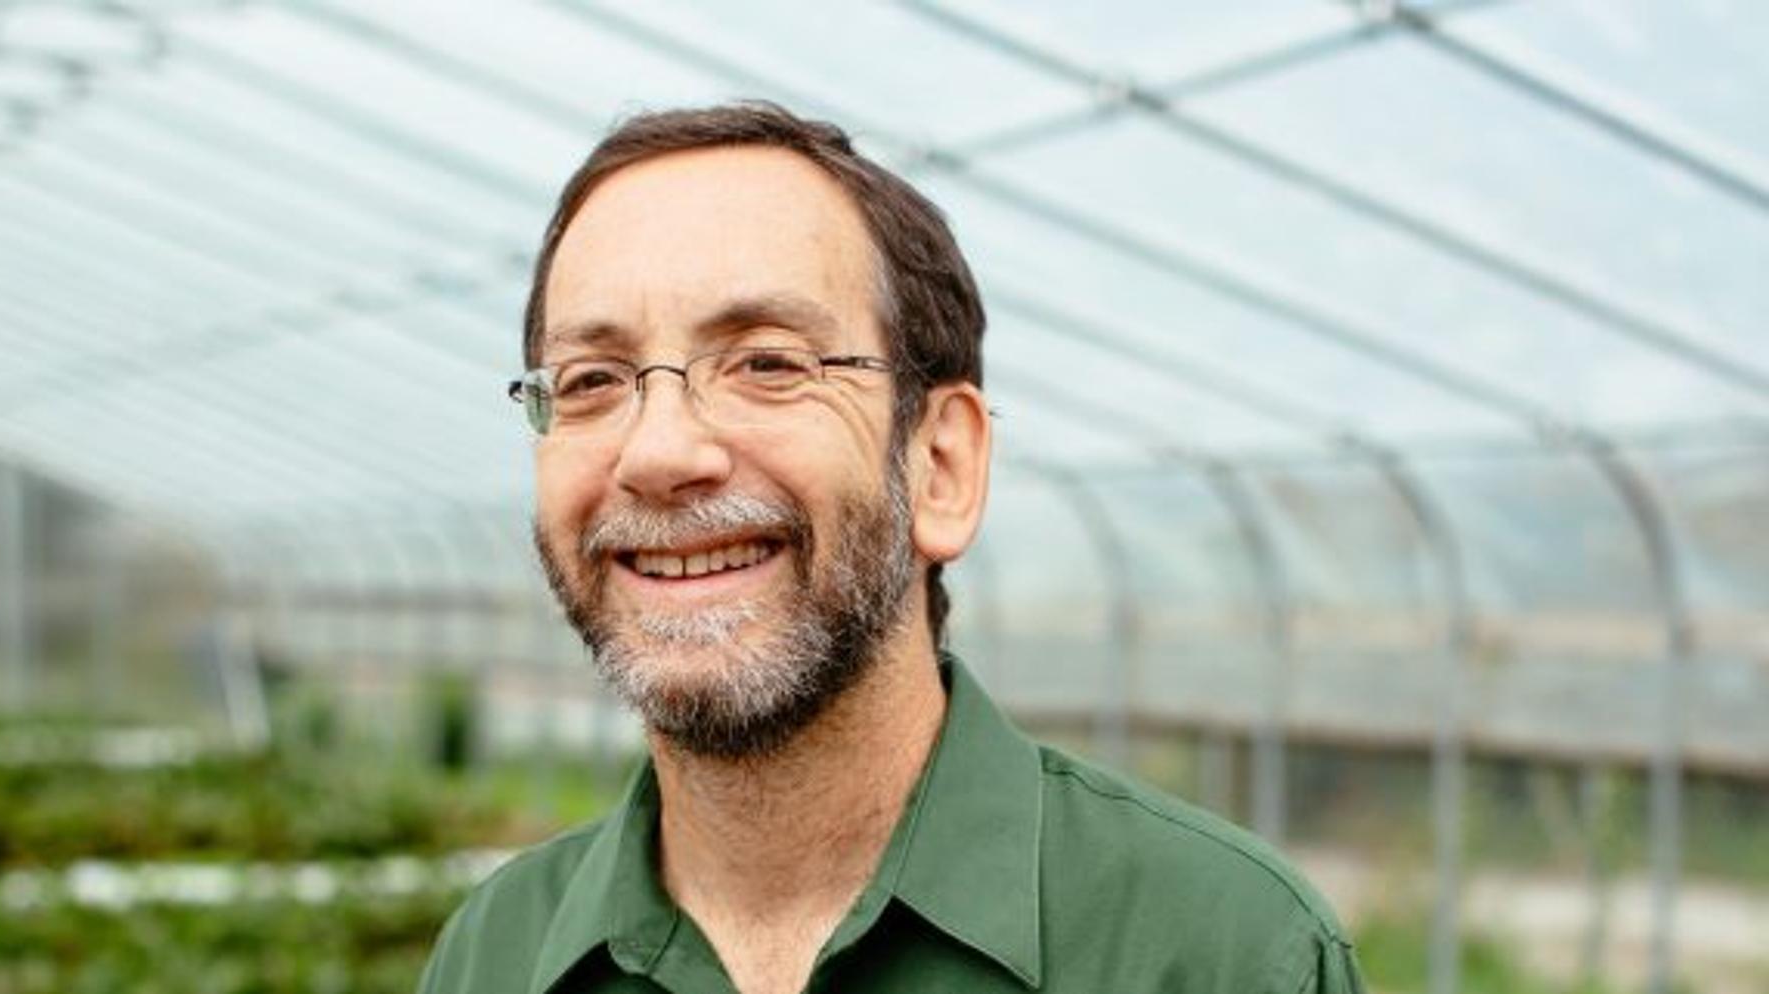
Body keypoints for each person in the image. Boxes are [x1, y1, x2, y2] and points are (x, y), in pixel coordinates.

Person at [418, 101, 1363, 994]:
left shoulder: (1221, 953)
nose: (659, 453)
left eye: (767, 364)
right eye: (590, 379)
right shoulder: (495, 955)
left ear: (941, 466)